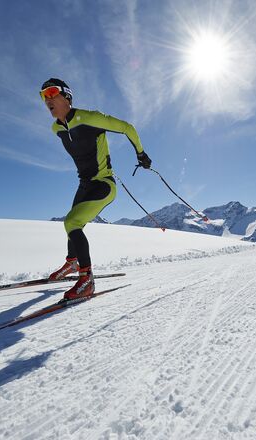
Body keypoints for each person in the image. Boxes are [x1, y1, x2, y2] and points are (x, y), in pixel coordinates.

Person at [40, 78, 152, 300]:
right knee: (72, 222)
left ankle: (87, 280)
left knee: (72, 222)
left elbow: (127, 128)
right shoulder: (56, 128)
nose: (48, 99)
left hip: (103, 183)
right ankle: (72, 264)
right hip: (84, 184)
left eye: (52, 93)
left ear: (67, 96)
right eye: (43, 95)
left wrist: (141, 153)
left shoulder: (90, 118)